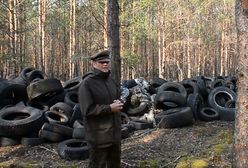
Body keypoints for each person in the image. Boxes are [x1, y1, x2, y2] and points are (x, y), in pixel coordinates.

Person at [78, 50, 123, 168]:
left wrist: (119, 103)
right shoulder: (87, 84)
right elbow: (86, 110)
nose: (105, 64)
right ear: (93, 64)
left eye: (107, 62)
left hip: (114, 136)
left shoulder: (111, 81)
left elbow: (117, 100)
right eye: (101, 62)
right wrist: (109, 108)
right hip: (98, 138)